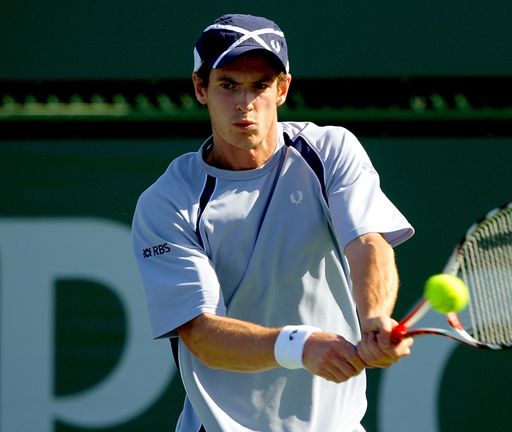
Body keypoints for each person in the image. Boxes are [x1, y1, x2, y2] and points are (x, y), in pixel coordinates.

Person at [131, 13, 414, 432]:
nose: (245, 103)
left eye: (260, 85)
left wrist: (374, 317)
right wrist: (299, 345)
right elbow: (202, 334)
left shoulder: (329, 151)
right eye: (228, 85)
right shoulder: (168, 202)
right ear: (200, 89)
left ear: (282, 89)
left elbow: (367, 241)